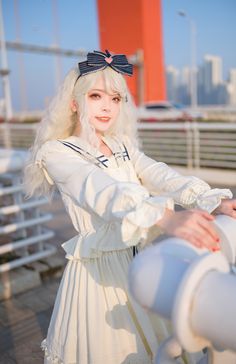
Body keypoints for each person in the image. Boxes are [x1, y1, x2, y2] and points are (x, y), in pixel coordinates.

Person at [24, 50, 236, 364]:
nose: (107, 106)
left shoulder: (121, 144)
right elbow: (100, 189)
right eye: (96, 96)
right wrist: (166, 218)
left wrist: (211, 199)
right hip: (100, 271)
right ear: (74, 102)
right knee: (115, 349)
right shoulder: (56, 151)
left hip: (143, 257)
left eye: (116, 98)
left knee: (164, 343)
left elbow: (159, 174)